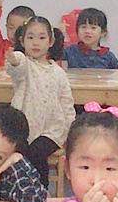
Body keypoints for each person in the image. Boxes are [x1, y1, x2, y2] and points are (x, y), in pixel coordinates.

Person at [6, 16, 75, 187]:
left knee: (36, 152)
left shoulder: (59, 73)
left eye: (42, 37)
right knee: (17, 151)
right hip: (23, 129)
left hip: (52, 131)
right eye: (30, 37)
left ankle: (40, 189)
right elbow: (17, 66)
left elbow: (67, 103)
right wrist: (13, 59)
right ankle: (17, 187)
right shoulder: (25, 65)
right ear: (22, 41)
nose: (35, 42)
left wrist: (69, 130)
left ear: (50, 42)